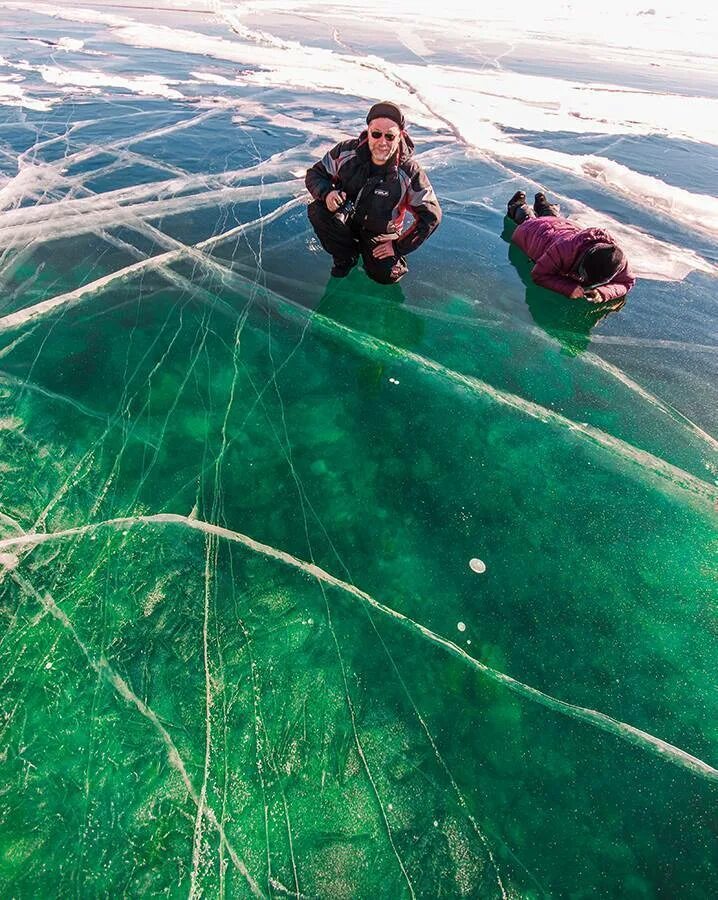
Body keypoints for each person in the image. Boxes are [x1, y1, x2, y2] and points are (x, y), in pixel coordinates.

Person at [305, 101, 442, 283]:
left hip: (380, 231)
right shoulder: (346, 152)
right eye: (376, 134)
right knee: (317, 210)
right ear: (368, 131)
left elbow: (432, 215)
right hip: (347, 220)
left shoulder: (410, 172)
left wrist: (398, 246)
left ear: (400, 135)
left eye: (390, 136)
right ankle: (346, 255)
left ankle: (380, 258)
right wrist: (328, 193)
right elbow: (315, 174)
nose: (382, 142)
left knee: (386, 275)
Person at [506, 190, 635, 302]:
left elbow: (627, 282)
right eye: (583, 275)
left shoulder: (618, 260)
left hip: (563, 226)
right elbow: (539, 275)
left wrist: (602, 293)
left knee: (553, 217)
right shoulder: (563, 250)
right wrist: (569, 288)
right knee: (528, 219)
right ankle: (517, 206)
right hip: (537, 232)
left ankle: (542, 205)